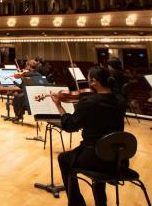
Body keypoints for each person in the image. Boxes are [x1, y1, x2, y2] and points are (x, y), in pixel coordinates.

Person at [54, 66, 126, 206]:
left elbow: (70, 126)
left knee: (63, 158)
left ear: (94, 81)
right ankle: (101, 202)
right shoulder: (120, 100)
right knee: (102, 149)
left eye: (88, 79)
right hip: (117, 158)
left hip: (94, 157)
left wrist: (59, 106)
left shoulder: (89, 102)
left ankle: (76, 203)